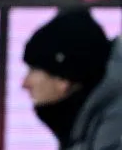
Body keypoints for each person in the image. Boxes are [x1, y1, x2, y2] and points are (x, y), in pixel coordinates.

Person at [22, 9, 122, 149]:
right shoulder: (91, 122)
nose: (24, 84)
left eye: (33, 70)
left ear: (63, 79)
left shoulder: (113, 128)